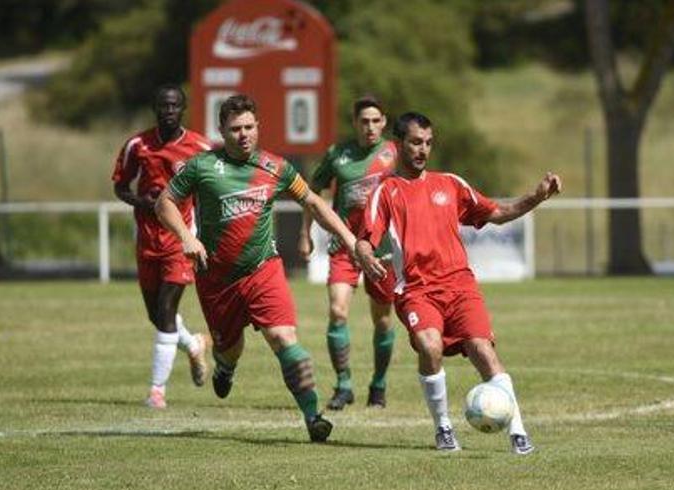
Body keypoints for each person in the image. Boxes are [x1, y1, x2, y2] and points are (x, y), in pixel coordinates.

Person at [155, 94, 365, 442]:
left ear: (258, 127)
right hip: (217, 279)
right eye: (235, 128)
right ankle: (225, 366)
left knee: (283, 337)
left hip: (263, 270)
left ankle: (314, 417)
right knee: (229, 348)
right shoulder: (201, 166)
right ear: (222, 130)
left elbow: (313, 200)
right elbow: (165, 203)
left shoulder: (276, 167)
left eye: (249, 127)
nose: (243, 134)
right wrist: (185, 238)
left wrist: (349, 237)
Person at [356, 112, 562, 455]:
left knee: (483, 350)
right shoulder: (386, 191)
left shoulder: (450, 183)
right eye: (415, 142)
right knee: (429, 345)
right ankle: (444, 429)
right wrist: (365, 257)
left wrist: (536, 197)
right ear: (398, 146)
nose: (423, 150)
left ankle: (518, 432)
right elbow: (364, 240)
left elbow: (496, 213)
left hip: (460, 287)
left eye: (428, 143)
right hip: (417, 290)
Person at [112, 84, 211, 409]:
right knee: (156, 316)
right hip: (147, 241)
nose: (168, 111)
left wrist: (201, 236)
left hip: (179, 241)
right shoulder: (137, 145)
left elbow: (211, 190)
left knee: (167, 311)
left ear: (183, 109)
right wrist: (143, 202)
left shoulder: (199, 147)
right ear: (155, 109)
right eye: (163, 106)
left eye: (174, 106)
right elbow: (120, 186)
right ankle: (194, 344)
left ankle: (157, 391)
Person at [298, 96, 398, 410]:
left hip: (382, 249)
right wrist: (305, 233)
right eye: (363, 121)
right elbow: (311, 196)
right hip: (345, 246)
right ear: (355, 123)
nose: (369, 127)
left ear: (384, 122)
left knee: (382, 321)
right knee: (338, 311)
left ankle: (378, 386)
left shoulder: (395, 153)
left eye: (375, 120)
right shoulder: (337, 155)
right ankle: (344, 385)